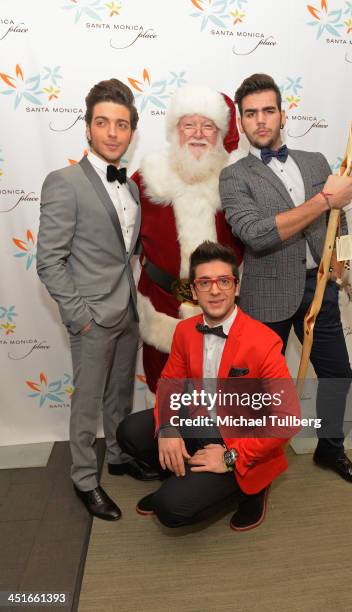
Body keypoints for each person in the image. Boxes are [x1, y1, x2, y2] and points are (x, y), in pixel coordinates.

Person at [219, 73, 352, 487]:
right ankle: (254, 461)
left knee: (338, 372)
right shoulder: (234, 177)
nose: (261, 121)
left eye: (268, 110)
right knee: (260, 390)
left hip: (318, 288)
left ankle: (331, 449)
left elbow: (338, 223)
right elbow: (257, 233)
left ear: (282, 114)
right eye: (250, 114)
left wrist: (342, 262)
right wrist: (325, 199)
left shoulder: (316, 162)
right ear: (242, 122)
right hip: (265, 293)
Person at [117, 241, 300, 531]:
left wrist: (230, 458)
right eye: (204, 282)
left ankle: (250, 489)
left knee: (170, 509)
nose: (215, 291)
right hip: (200, 422)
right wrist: (168, 429)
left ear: (237, 287)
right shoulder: (185, 331)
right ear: (193, 292)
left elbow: (287, 421)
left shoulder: (263, 342)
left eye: (224, 281)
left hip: (240, 441)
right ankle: (183, 476)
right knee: (129, 432)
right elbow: (170, 383)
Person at [37, 79, 147, 522]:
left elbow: (127, 254)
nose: (113, 133)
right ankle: (85, 478)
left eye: (122, 124)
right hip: (92, 317)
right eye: (103, 123)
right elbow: (49, 261)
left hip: (127, 311)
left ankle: (118, 457)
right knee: (87, 402)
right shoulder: (63, 182)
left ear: (131, 132)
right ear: (87, 128)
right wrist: (79, 317)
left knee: (120, 394)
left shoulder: (133, 189)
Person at [131, 85, 242, 405]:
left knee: (217, 394)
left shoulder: (233, 180)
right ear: (174, 130)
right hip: (162, 306)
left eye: (208, 126)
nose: (198, 133)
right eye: (188, 124)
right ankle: (165, 450)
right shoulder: (149, 177)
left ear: (219, 133)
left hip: (220, 307)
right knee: (163, 391)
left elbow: (248, 240)